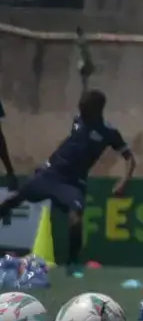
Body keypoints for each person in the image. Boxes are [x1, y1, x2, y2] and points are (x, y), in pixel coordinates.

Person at [0, 88, 134, 276]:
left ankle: (72, 264)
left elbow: (129, 158)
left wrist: (124, 182)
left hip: (73, 182)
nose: (82, 112)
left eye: (86, 109)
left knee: (75, 218)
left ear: (97, 110)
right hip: (50, 173)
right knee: (14, 199)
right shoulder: (78, 120)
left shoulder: (108, 132)